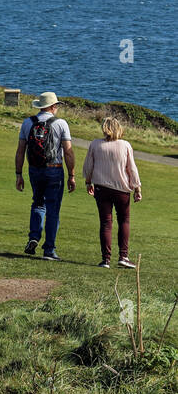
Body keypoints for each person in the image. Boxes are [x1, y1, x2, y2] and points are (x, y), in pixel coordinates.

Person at [16, 92, 75, 260]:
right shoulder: (61, 124)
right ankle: (49, 249)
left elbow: (20, 151)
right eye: (56, 105)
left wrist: (18, 174)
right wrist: (72, 175)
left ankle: (34, 237)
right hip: (54, 169)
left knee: (38, 203)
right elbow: (69, 153)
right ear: (52, 107)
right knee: (53, 210)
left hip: (35, 169)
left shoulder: (28, 123)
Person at [84, 117, 141, 269]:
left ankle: (106, 260)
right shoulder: (125, 145)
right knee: (124, 221)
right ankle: (123, 256)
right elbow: (132, 168)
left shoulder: (96, 144)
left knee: (105, 223)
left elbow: (89, 165)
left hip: (101, 188)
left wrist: (88, 181)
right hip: (121, 189)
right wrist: (137, 187)